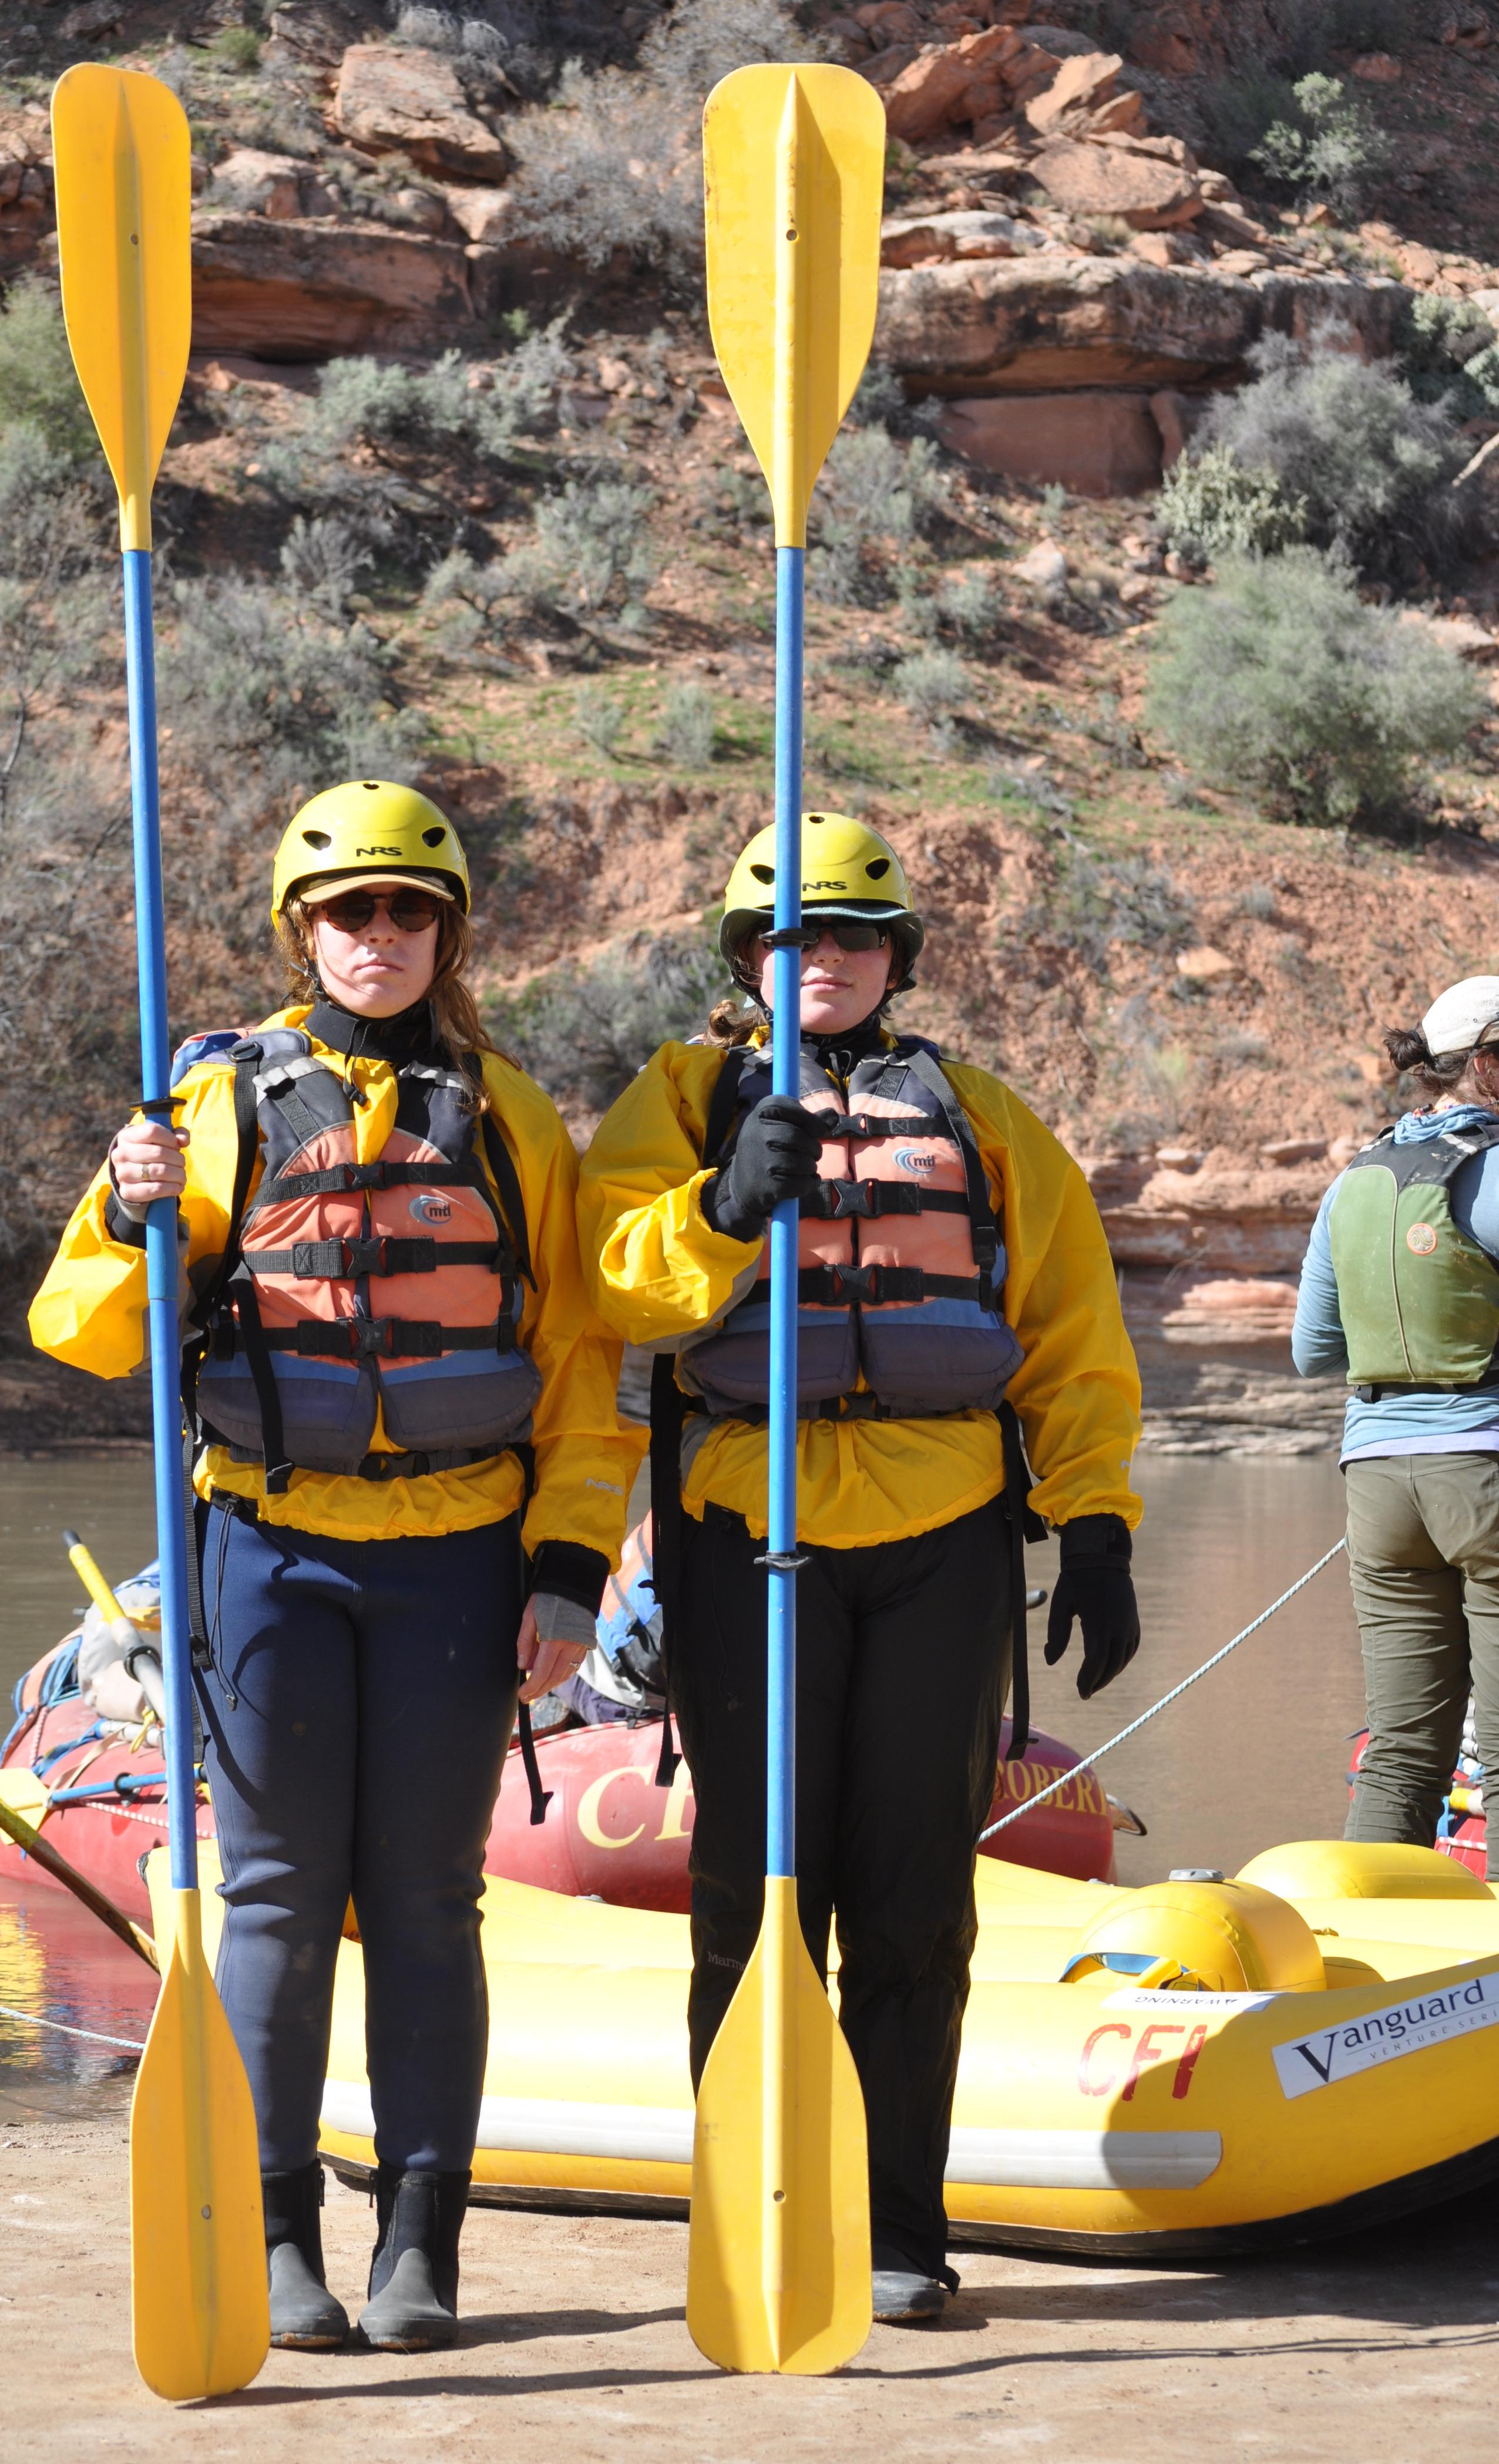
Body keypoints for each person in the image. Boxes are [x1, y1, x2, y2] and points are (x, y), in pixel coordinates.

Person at [30, 780, 630, 2355]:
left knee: (433, 1906)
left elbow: (576, 1364)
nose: (381, 936)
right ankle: (279, 2231)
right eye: (350, 911)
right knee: (282, 1902)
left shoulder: (509, 1115)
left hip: (459, 1560)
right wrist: (128, 1205)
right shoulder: (215, 1104)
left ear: (449, 932)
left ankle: (420, 2246)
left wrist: (569, 1568)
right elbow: (84, 1332)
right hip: (268, 1553)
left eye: (408, 911)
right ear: (301, 932)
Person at [576, 811, 1142, 2322]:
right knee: (755, 1890)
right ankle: (758, 2199)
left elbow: (1069, 1325)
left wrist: (1092, 1522)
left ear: (892, 957)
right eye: (784, 936)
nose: (812, 959)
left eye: (843, 936)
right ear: (743, 957)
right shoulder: (686, 1096)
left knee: (910, 1900)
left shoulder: (976, 1113)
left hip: (939, 1533)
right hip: (743, 1538)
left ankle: (899, 2225)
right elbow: (611, 1283)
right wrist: (717, 1204)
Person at [1293, 974, 1499, 1846]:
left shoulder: (1353, 1184)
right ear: (1487, 1066)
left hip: (1379, 1484)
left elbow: (1312, 1352)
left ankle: (1383, 1956)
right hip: (1486, 1477)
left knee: (1405, 1750)